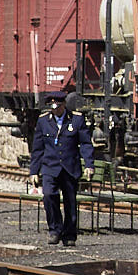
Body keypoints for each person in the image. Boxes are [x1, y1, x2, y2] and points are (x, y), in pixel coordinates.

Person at [31, 93, 92, 245]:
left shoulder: (76, 120)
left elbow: (85, 143)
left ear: (64, 104)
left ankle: (70, 235)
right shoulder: (43, 121)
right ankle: (55, 230)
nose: (55, 110)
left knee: (70, 202)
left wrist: (89, 165)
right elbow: (37, 148)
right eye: (52, 108)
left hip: (69, 167)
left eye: (57, 107)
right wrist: (33, 171)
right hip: (50, 167)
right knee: (49, 196)